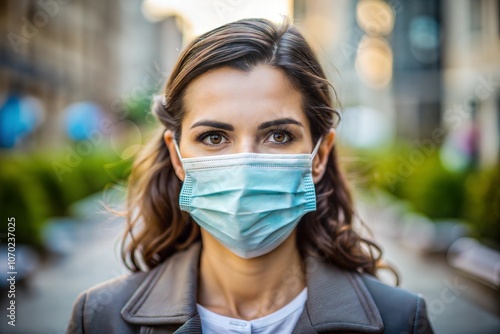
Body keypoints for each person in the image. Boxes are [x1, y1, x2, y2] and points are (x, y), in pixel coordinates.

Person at [67, 18, 434, 334]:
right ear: (178, 158)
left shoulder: (400, 320)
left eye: (278, 136)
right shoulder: (101, 319)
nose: (244, 164)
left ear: (319, 155)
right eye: (214, 137)